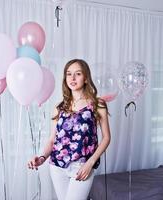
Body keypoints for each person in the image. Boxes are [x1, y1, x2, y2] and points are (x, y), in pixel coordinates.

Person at [28, 59, 111, 200]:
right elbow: (52, 139)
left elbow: (106, 138)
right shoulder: (59, 107)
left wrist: (90, 163)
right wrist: (42, 158)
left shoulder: (97, 104)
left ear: (85, 78)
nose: (72, 78)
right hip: (57, 166)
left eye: (78, 74)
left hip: (82, 166)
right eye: (69, 74)